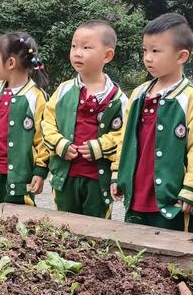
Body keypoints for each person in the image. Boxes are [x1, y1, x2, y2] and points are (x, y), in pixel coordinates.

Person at [111, 13, 193, 232]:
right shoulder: (138, 94)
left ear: (181, 56)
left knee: (172, 257)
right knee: (133, 254)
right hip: (136, 194)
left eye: (156, 51)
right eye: (145, 50)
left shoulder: (189, 98)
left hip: (172, 200)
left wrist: (189, 188)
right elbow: (124, 138)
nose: (147, 58)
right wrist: (117, 173)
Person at [42, 20, 128, 218]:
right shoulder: (64, 90)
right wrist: (59, 144)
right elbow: (46, 123)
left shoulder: (118, 98)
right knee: (64, 225)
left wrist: (99, 147)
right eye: (74, 46)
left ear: (107, 55)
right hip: (65, 176)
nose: (77, 52)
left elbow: (124, 135)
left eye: (86, 47)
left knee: (97, 229)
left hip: (98, 181)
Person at [0, 32, 49, 205]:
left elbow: (43, 139)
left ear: (10, 62)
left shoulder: (36, 97)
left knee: (15, 222)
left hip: (19, 180)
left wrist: (40, 171)